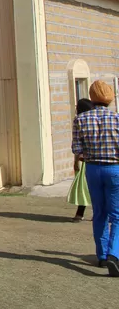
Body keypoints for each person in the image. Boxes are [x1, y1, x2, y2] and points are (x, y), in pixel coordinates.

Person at [72, 80, 119, 275]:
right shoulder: (117, 119)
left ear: (92, 98)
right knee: (117, 215)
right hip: (114, 168)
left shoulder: (80, 120)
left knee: (99, 213)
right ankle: (114, 254)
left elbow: (76, 149)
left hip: (92, 168)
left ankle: (101, 256)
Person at [69, 98, 96, 222]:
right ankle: (83, 213)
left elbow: (77, 144)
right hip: (88, 159)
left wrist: (76, 160)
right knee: (86, 187)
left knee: (86, 187)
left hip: (87, 160)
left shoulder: (80, 121)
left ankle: (81, 213)